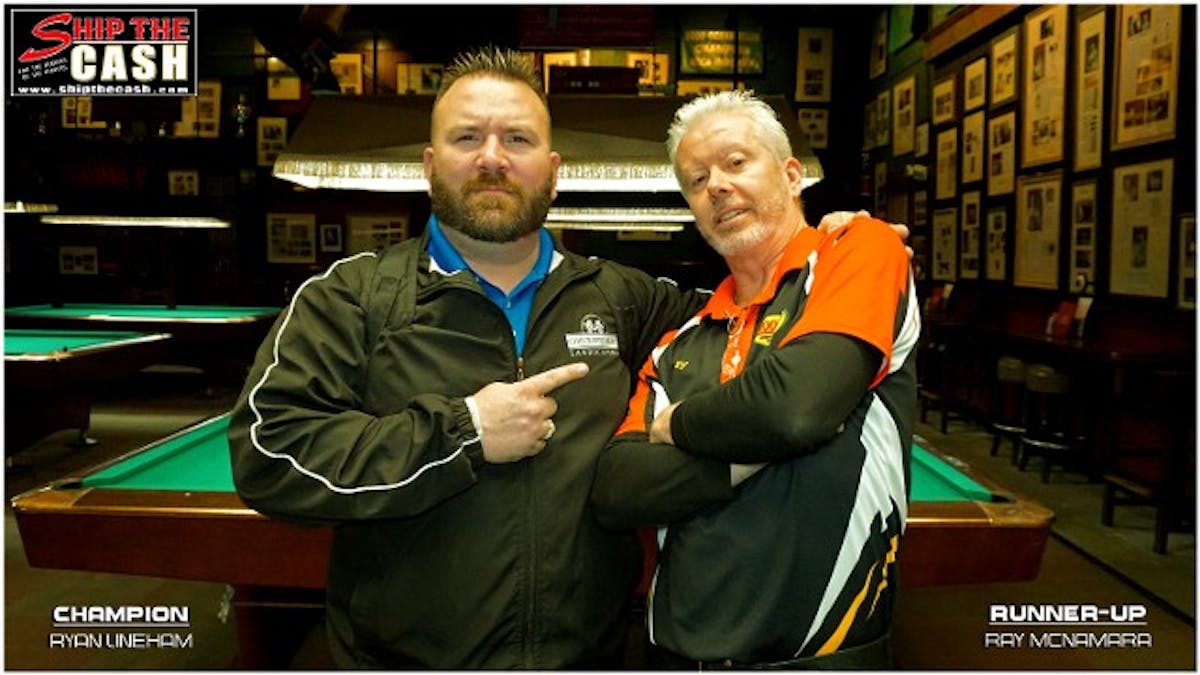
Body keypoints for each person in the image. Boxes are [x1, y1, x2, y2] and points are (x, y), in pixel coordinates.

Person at [228, 47, 905, 668]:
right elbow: (269, 453)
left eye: (517, 139)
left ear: (552, 173)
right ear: (430, 165)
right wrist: (463, 433)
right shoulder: (351, 296)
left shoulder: (626, 298)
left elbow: (764, 308)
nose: (493, 158)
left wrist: (841, 247)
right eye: (468, 138)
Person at [590, 91, 920, 669]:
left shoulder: (860, 250)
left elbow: (795, 409)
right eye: (697, 179)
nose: (715, 185)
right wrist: (771, 439)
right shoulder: (679, 342)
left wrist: (678, 425)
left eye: (736, 162)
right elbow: (620, 489)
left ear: (792, 175)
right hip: (675, 652)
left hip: (822, 656)